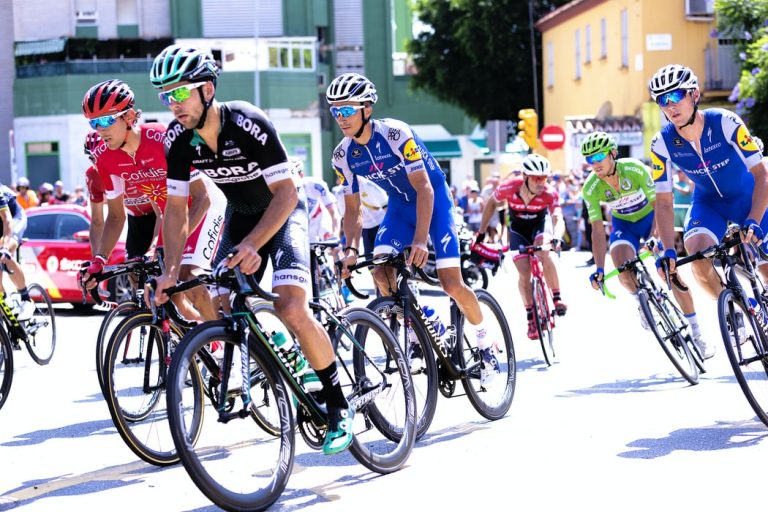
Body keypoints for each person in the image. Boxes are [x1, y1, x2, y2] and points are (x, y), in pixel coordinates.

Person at [148, 44, 354, 455]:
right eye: (165, 96)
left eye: (179, 93)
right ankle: (282, 355)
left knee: (290, 306)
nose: (172, 104)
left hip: (283, 213)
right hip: (240, 215)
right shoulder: (177, 139)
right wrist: (171, 270)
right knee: (220, 304)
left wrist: (253, 244)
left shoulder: (247, 123)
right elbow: (175, 210)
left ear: (207, 90)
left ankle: (338, 404)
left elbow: (286, 193)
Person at [327, 72, 501, 386]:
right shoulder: (343, 156)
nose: (341, 117)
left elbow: (424, 189)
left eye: (347, 109)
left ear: (366, 109)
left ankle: (486, 342)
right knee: (380, 271)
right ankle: (419, 327)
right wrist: (350, 250)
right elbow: (352, 211)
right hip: (399, 208)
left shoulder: (396, 134)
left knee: (451, 284)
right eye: (335, 111)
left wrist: (420, 240)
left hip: (434, 201)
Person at [79, 78, 224, 322]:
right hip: (172, 214)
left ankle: (223, 339)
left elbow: (203, 198)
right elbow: (115, 217)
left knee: (187, 275)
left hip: (204, 205)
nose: (100, 130)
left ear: (129, 117)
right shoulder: (104, 158)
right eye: (94, 123)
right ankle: (200, 345)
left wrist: (170, 245)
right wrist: (99, 260)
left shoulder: (160, 138)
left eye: (105, 120)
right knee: (168, 293)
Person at [649, 64, 768, 325]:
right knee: (698, 258)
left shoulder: (725, 121)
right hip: (708, 203)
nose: (670, 105)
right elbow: (664, 201)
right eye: (662, 100)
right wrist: (669, 249)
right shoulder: (661, 143)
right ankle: (739, 307)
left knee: (766, 266)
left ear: (694, 94)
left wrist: (755, 220)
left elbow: (762, 175)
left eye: (676, 96)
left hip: (747, 196)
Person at [581, 131, 712, 358]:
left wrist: (656, 237)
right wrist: (599, 269)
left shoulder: (634, 169)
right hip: (624, 225)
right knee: (621, 266)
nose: (595, 163)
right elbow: (597, 230)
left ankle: (697, 332)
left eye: (599, 156)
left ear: (613, 153)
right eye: (589, 159)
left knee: (670, 273)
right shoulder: (590, 187)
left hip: (651, 219)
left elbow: (659, 205)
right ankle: (641, 301)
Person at [478, 153, 567, 340]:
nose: (542, 182)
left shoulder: (549, 193)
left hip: (539, 227)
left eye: (545, 177)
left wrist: (557, 237)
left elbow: (558, 218)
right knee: (524, 273)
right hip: (518, 231)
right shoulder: (509, 187)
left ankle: (557, 298)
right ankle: (530, 316)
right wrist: (481, 232)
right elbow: (492, 204)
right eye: (537, 178)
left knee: (546, 252)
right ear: (525, 177)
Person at [0, 184, 35, 321]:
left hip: (14, 218)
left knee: (5, 252)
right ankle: (5, 301)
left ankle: (26, 299)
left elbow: (7, 220)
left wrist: (5, 247)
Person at [295, 159, 340, 242]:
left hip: (319, 223)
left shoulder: (316, 185)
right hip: (298, 228)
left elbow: (333, 212)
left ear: (301, 175)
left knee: (335, 249)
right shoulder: (281, 190)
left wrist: (335, 235)